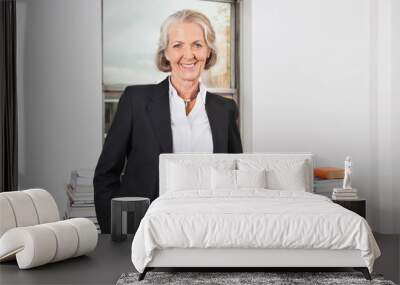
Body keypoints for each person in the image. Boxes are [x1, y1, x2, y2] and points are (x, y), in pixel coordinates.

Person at [93, 10, 243, 233]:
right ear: (165, 53)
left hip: (209, 229)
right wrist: (113, 233)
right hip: (145, 230)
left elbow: (237, 178)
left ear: (208, 51)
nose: (188, 54)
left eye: (197, 45)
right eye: (178, 45)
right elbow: (106, 175)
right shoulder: (136, 101)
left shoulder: (225, 110)